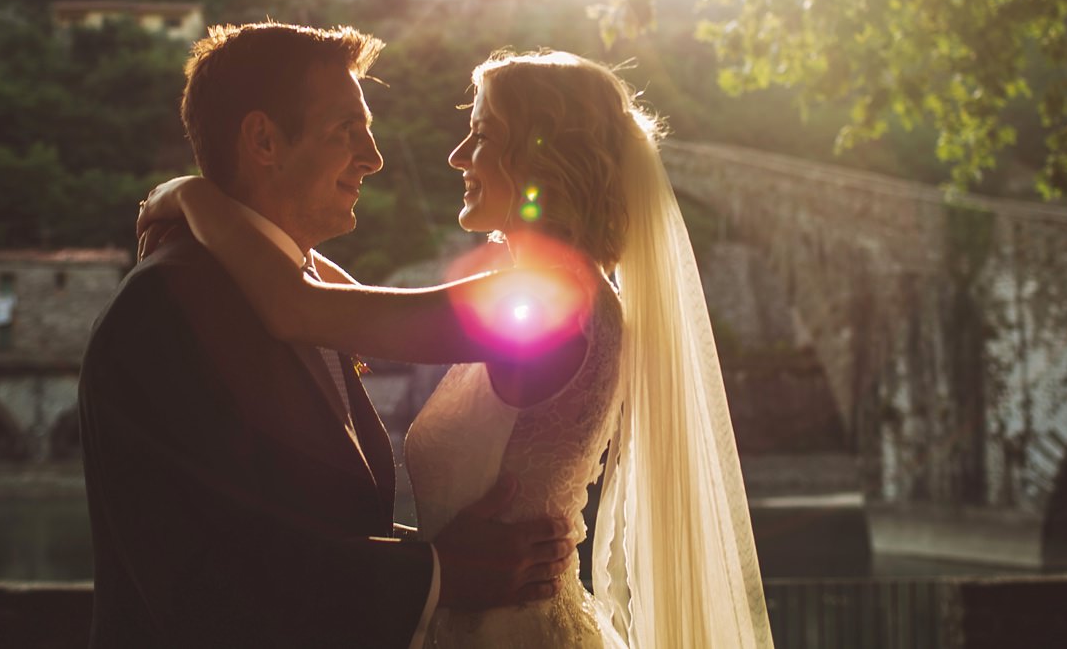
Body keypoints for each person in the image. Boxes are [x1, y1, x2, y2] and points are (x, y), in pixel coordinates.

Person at [141, 47, 773, 647]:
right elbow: (337, 296)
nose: (457, 156)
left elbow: (298, 308)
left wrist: (187, 194)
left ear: (539, 158)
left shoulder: (542, 298)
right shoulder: (563, 290)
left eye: (482, 136)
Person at [79, 22, 575, 648]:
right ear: (263, 140)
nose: (374, 157)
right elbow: (204, 572)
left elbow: (307, 522)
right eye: (348, 130)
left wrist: (193, 194)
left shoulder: (301, 294)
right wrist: (438, 571)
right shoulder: (165, 306)